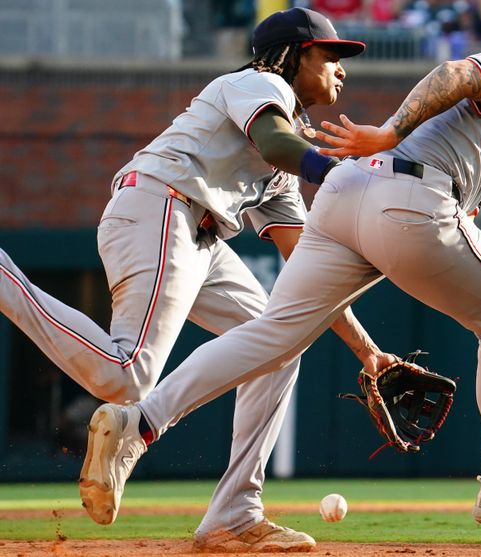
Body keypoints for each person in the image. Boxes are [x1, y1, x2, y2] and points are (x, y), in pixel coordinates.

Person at [79, 23, 481, 533]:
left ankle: (140, 423)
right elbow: (457, 74)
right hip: (408, 195)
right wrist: (389, 132)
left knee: (273, 337)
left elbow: (459, 230)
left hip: (352, 194)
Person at [1, 7, 396, 552]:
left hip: (197, 234)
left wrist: (368, 351)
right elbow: (278, 142)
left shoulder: (286, 155)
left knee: (279, 340)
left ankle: (233, 516)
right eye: (330, 55)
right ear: (292, 55)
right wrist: (350, 173)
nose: (341, 69)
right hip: (162, 207)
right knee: (125, 377)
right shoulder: (254, 83)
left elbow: (308, 270)